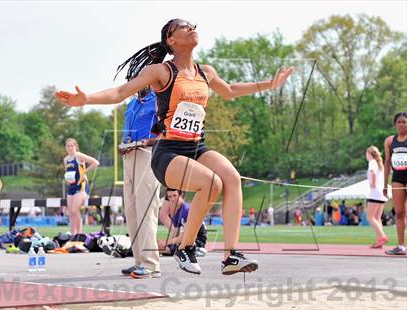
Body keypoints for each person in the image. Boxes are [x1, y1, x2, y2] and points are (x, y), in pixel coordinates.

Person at [55, 18, 294, 275]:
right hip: (167, 152)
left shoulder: (206, 72)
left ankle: (230, 256)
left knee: (232, 178)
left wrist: (269, 85)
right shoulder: (161, 72)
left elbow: (230, 90)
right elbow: (119, 93)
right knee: (211, 183)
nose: (192, 28)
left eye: (193, 25)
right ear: (171, 40)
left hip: (196, 147)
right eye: (184, 26)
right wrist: (85, 99)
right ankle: (185, 247)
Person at [119, 88, 161, 279]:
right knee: (132, 210)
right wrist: (123, 144)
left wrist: (148, 141)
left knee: (146, 210)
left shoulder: (159, 100)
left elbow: (168, 131)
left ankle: (151, 264)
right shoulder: (131, 104)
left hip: (147, 154)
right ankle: (139, 260)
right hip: (129, 156)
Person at [63, 138, 99, 235]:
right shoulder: (65, 159)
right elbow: (70, 173)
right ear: (66, 148)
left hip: (81, 185)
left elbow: (95, 163)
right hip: (71, 187)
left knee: (75, 210)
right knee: (70, 213)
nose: (70, 147)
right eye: (68, 146)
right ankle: (73, 235)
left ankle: (79, 234)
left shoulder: (78, 155)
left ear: (75, 146)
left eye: (72, 145)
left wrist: (85, 172)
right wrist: (68, 178)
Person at [383, 112, 407, 255]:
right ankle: (400, 246)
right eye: (399, 122)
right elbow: (387, 163)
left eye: (404, 122)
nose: (402, 124)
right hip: (397, 178)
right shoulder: (390, 141)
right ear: (395, 124)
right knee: (399, 213)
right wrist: (385, 184)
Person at [158, 189, 207, 257]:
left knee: (178, 246)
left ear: (181, 195)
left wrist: (166, 242)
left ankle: (197, 249)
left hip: (196, 240)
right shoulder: (177, 212)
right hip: (184, 239)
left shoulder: (187, 210)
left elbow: (183, 237)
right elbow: (175, 233)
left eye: (175, 195)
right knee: (164, 248)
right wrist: (162, 245)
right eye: (170, 197)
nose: (172, 199)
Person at [365, 146, 388, 248]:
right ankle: (379, 242)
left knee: (370, 217)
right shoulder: (380, 164)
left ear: (369, 153)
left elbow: (372, 172)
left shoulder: (372, 162)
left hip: (375, 192)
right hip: (381, 193)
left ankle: (382, 237)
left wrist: (373, 183)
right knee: (377, 218)